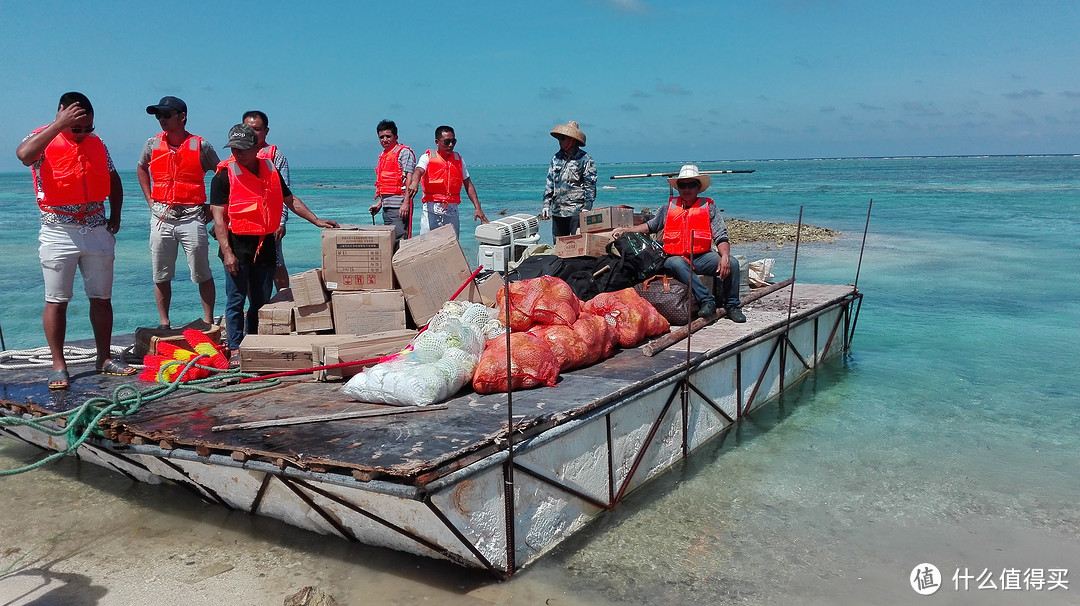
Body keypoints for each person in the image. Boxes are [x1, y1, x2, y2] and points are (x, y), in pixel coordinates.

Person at [15, 91, 135, 389]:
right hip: (59, 230)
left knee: (102, 297)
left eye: (87, 128)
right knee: (57, 300)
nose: (82, 134)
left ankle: (105, 358)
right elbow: (23, 155)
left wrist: (116, 216)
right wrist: (58, 126)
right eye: (76, 128)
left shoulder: (97, 143)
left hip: (96, 228)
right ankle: (59, 365)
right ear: (60, 116)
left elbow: (113, 178)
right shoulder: (41, 139)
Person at [210, 124, 340, 359]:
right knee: (235, 299)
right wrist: (227, 252)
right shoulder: (224, 175)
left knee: (261, 299)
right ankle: (236, 346)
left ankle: (254, 340)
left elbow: (290, 200)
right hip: (237, 244)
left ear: (255, 147)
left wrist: (316, 220)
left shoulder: (270, 169)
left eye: (241, 149)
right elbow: (219, 219)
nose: (237, 154)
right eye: (233, 149)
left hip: (265, 242)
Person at [612, 164, 745, 322]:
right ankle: (706, 300)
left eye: (691, 185)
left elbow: (721, 236)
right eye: (683, 185)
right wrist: (628, 230)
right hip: (675, 258)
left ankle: (732, 306)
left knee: (734, 263)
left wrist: (725, 257)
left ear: (698, 187)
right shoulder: (668, 208)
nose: (687, 189)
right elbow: (651, 226)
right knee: (676, 263)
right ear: (678, 188)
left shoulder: (709, 208)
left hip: (702, 257)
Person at [136, 96, 221, 329]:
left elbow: (221, 174)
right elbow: (142, 168)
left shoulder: (201, 145)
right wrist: (150, 200)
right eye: (158, 115)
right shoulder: (152, 144)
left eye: (166, 114)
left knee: (201, 270)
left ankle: (208, 319)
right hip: (161, 216)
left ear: (182, 117)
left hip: (193, 216)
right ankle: (164, 322)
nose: (161, 119)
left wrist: (214, 207)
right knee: (160, 273)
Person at [242, 110, 292, 292]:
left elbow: (284, 193)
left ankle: (284, 302)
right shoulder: (237, 155)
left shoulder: (276, 157)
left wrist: (281, 222)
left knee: (277, 264)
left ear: (266, 131)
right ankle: (256, 308)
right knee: (246, 267)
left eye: (257, 129)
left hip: (270, 221)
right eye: (248, 129)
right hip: (245, 222)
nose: (253, 133)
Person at [408, 125, 488, 237]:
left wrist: (477, 208)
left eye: (453, 141)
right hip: (432, 209)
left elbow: (468, 184)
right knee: (427, 244)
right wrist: (414, 182)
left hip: (452, 210)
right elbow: (418, 171)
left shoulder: (458, 159)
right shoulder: (427, 157)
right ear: (437, 142)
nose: (451, 145)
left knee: (452, 245)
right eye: (447, 142)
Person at [540, 120, 597, 238]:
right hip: (558, 210)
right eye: (559, 139)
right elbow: (550, 183)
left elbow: (590, 184)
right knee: (559, 246)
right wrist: (546, 204)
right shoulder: (556, 158)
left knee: (576, 244)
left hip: (576, 210)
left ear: (572, 140)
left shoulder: (585, 159)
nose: (559, 142)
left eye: (562, 138)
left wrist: (587, 207)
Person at [368, 119, 417, 244]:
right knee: (389, 241)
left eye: (388, 136)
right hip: (387, 207)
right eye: (381, 137)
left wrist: (406, 203)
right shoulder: (384, 155)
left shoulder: (404, 153)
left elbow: (409, 180)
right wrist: (379, 204)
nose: (385, 140)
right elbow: (386, 185)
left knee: (399, 240)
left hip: (400, 206)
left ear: (396, 136)